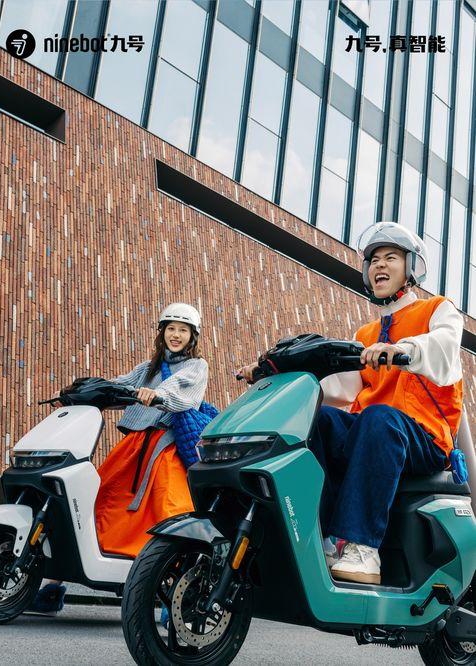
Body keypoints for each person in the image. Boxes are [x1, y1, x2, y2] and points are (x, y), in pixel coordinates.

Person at [238, 222, 463, 585]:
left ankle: (360, 547)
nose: (380, 265)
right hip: (375, 431)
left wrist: (403, 349)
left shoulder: (437, 310)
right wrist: (273, 373)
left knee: (378, 418)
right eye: (374, 260)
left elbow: (445, 347)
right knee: (322, 421)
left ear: (411, 267)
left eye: (391, 257)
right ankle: (322, 538)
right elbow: (340, 386)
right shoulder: (366, 335)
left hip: (425, 437)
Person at [30, 303, 209, 613]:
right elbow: (120, 385)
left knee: (168, 513)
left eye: (183, 330)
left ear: (192, 337)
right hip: (135, 447)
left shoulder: (196, 366)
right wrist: (82, 392)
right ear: (162, 333)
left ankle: (176, 601)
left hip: (164, 448)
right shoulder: (148, 367)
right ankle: (53, 587)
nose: (176, 335)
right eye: (171, 328)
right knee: (97, 502)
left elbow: (180, 391)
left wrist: (157, 394)